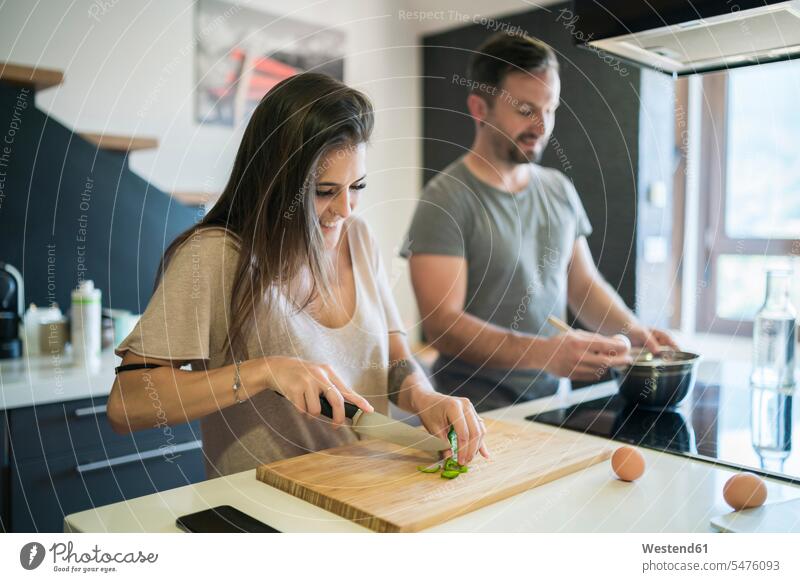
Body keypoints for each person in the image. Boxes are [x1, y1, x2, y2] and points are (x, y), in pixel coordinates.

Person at [108, 73, 489, 478]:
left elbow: (394, 363)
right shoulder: (215, 256)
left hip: (367, 494)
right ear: (276, 184)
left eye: (356, 186)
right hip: (263, 512)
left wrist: (424, 396)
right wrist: (261, 371)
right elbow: (127, 403)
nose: (346, 209)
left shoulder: (359, 239)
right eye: (324, 191)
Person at [403, 33, 677, 412]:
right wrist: (544, 353)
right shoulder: (444, 199)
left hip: (552, 403)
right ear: (479, 108)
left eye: (550, 110)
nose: (542, 125)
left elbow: (582, 285)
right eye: (525, 110)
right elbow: (442, 327)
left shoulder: (558, 189)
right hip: (473, 410)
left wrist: (635, 333)